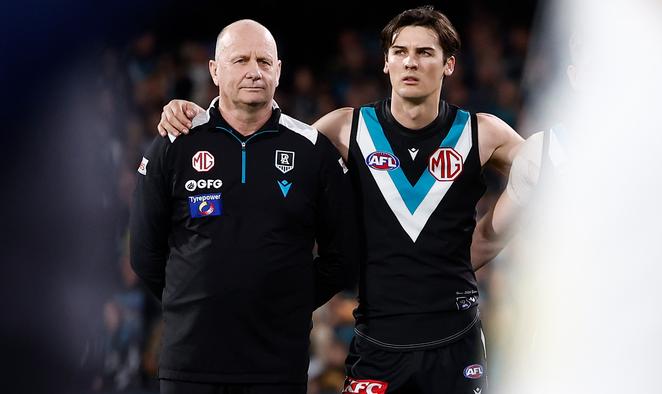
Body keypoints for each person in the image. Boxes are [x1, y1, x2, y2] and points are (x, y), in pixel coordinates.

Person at [158, 7, 524, 393]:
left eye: (425, 53)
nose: (410, 62)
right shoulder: (345, 127)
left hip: (456, 341)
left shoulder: (484, 131)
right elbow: (266, 144)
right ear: (385, 62)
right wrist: (205, 120)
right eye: (399, 52)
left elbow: (544, 175)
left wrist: (488, 236)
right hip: (378, 342)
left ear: (449, 64)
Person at [130, 19, 353, 394]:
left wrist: (289, 300)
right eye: (240, 60)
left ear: (278, 71)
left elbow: (343, 256)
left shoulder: (312, 151)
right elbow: (143, 252)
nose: (254, 71)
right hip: (189, 366)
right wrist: (192, 299)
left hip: (278, 367)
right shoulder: (176, 142)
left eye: (264, 62)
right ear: (215, 70)